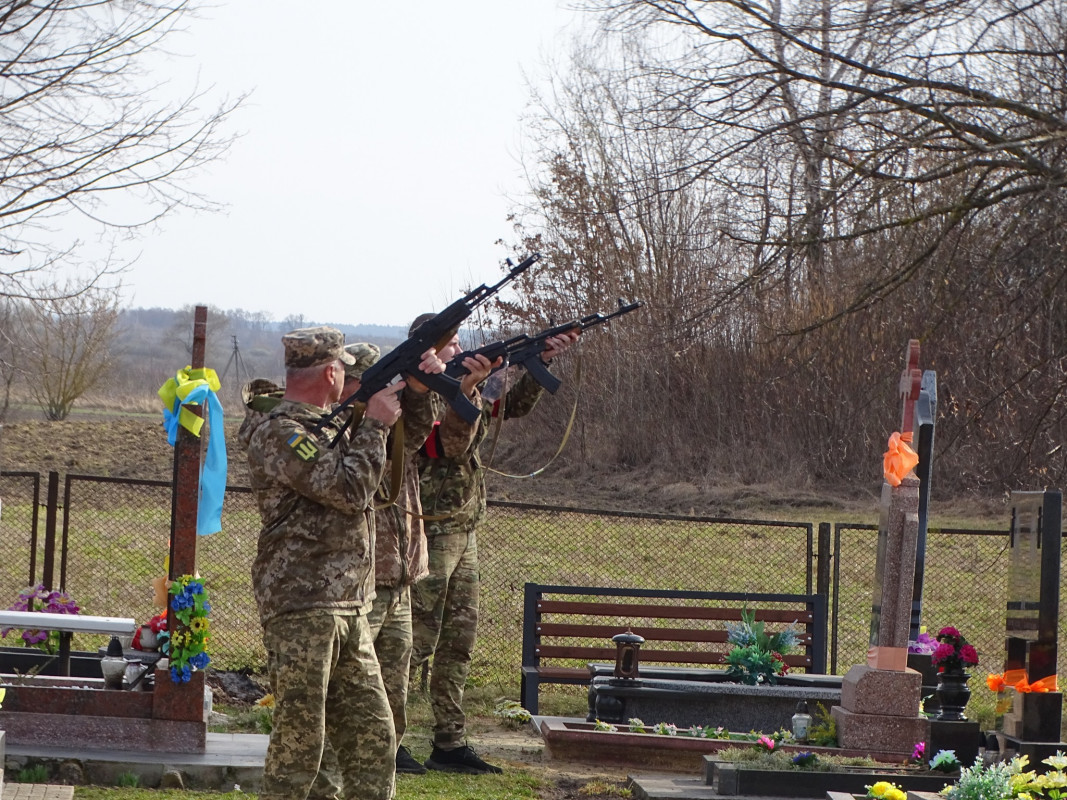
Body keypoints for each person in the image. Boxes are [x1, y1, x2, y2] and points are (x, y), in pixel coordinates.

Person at [243, 325, 444, 800]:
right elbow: (351, 490)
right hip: (304, 605)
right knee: (301, 745)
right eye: (343, 370)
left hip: (351, 603)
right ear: (331, 373)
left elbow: (400, 447)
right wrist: (374, 424)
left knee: (375, 739)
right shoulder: (282, 432)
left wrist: (417, 392)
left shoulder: (329, 423)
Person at [407, 325, 580, 774]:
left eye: (459, 343)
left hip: (464, 528)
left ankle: (449, 742)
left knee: (458, 644)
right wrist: (467, 388)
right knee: (417, 640)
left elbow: (511, 408)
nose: (460, 350)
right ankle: (390, 737)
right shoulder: (418, 399)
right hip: (430, 529)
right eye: (451, 345)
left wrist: (539, 360)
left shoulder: (463, 388)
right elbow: (447, 447)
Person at [338, 337, 496, 776]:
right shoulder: (347, 431)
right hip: (367, 572)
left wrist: (448, 389)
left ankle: (391, 748)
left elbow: (439, 435)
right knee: (358, 671)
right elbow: (436, 447)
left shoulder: (395, 426)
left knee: (398, 666)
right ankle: (356, 752)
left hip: (403, 566)